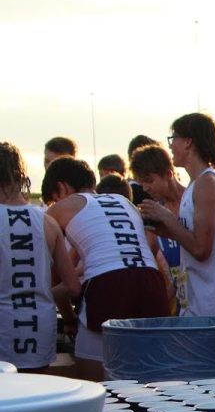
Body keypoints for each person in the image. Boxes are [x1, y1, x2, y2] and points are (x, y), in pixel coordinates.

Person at [42, 157, 169, 379]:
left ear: (61, 188)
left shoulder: (61, 209)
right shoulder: (123, 201)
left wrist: (69, 319)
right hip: (150, 279)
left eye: (52, 200)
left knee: (95, 381)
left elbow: (54, 276)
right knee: (150, 377)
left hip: (108, 283)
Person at [138, 113, 215, 317]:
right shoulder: (195, 185)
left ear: (188, 142)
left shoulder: (207, 183)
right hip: (198, 303)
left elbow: (201, 249)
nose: (170, 147)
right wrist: (163, 229)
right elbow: (191, 238)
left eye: (173, 139)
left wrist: (168, 218)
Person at [0, 142, 79, 372]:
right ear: (20, 176)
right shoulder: (47, 221)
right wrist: (38, 292)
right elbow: (73, 286)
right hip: (39, 328)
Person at [131, 144, 187, 314]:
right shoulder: (154, 213)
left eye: (149, 181)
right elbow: (145, 260)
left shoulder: (193, 200)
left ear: (168, 174)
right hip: (181, 306)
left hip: (209, 301)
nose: (145, 188)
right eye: (141, 183)